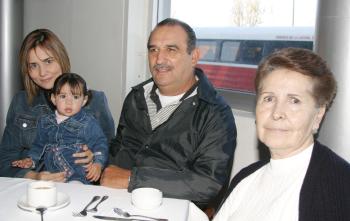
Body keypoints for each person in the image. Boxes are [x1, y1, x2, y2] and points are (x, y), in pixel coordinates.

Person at [100, 18, 237, 208]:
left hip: (173, 209)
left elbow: (208, 184)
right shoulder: (136, 97)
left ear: (194, 56)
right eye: (153, 49)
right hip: (115, 203)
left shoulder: (215, 113)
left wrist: (133, 179)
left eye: (171, 50)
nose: (159, 59)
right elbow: (119, 147)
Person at [213, 48, 350, 221]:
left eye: (294, 101)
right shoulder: (246, 177)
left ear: (318, 116)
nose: (277, 113)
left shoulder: (339, 187)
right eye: (269, 98)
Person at [0, 29, 115, 181]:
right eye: (33, 65)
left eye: (48, 61)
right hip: (30, 190)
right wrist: (34, 177)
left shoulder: (95, 102)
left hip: (79, 189)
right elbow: (5, 162)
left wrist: (95, 159)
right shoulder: (21, 102)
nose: (42, 72)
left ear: (61, 58)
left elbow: (112, 159)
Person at [11, 73, 108, 184]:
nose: (69, 102)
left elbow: (100, 143)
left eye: (75, 97)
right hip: (51, 175)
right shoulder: (45, 121)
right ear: (54, 99)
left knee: (74, 192)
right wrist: (31, 160)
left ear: (84, 100)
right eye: (63, 96)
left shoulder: (88, 122)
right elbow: (38, 145)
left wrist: (98, 164)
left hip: (77, 176)